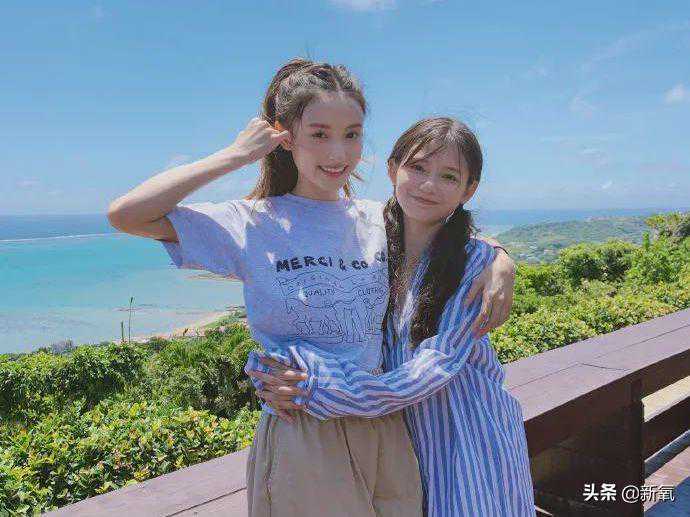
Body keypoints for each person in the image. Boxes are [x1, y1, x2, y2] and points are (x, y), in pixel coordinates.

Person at [107, 58, 516, 517]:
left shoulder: (378, 219)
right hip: (304, 426)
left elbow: (443, 227)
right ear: (285, 138)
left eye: (352, 134)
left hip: (387, 426)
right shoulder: (252, 222)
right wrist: (236, 155)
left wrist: (500, 259)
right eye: (319, 134)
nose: (338, 153)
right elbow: (127, 214)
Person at [247, 117, 535, 516]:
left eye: (449, 177)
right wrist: (274, 373)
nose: (428, 185)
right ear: (392, 168)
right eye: (417, 167)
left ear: (469, 190)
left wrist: (317, 387)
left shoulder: (473, 264)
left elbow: (431, 369)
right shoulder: (367, 242)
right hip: (397, 435)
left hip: (466, 432)